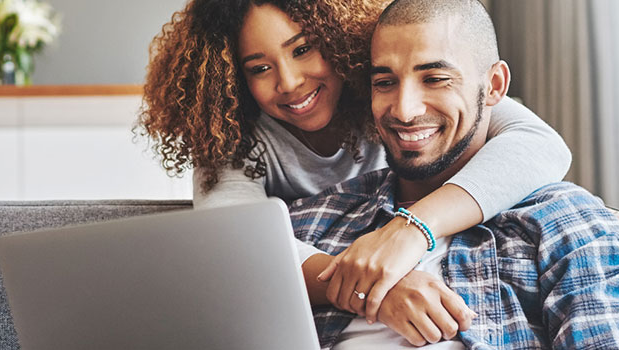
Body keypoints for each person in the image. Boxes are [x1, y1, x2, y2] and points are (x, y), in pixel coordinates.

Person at [138, 0, 572, 323]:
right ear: (231, 77)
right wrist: (373, 290)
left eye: (303, 49)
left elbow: (541, 144)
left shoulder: (390, 97)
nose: (289, 82)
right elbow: (232, 245)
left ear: (340, 39)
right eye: (258, 68)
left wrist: (413, 229)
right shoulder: (232, 140)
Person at [290, 0, 619, 348]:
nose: (404, 110)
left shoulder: (563, 221)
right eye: (384, 82)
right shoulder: (315, 221)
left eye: (435, 78)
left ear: (495, 86)